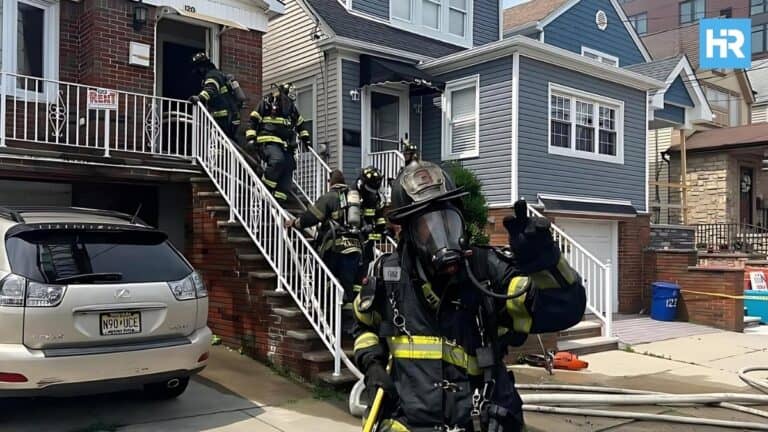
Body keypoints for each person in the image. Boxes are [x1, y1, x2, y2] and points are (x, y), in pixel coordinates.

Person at [352, 161, 587, 432]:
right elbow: (363, 324)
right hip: (411, 423)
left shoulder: (486, 270)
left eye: (448, 220)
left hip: (479, 421)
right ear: (408, 231)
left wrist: (544, 264)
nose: (442, 233)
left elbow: (565, 310)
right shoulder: (387, 275)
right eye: (427, 224)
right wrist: (372, 365)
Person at [285, 169, 362, 308]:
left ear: (330, 182)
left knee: (324, 279)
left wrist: (295, 223)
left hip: (334, 247)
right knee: (349, 284)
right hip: (355, 247)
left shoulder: (329, 197)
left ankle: (326, 309)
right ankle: (350, 315)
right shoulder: (353, 198)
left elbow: (312, 217)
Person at [245, 83, 311, 203]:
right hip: (268, 141)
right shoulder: (267, 103)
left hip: (285, 145)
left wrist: (306, 139)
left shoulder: (291, 109)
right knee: (278, 161)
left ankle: (278, 201)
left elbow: (301, 124)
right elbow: (253, 119)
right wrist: (251, 137)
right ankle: (264, 187)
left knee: (289, 166)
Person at [188, 52, 241, 140]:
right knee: (228, 141)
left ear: (202, 67)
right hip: (231, 115)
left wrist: (199, 98)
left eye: (197, 68)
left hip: (225, 117)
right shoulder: (218, 74)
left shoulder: (212, 75)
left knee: (221, 143)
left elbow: (210, 90)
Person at [355, 166, 388, 293]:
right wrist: (362, 226)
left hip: (368, 238)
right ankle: (356, 293)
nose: (372, 192)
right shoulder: (354, 194)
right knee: (358, 265)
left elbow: (378, 216)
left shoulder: (375, 196)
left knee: (367, 263)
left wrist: (382, 229)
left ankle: (363, 289)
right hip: (356, 237)